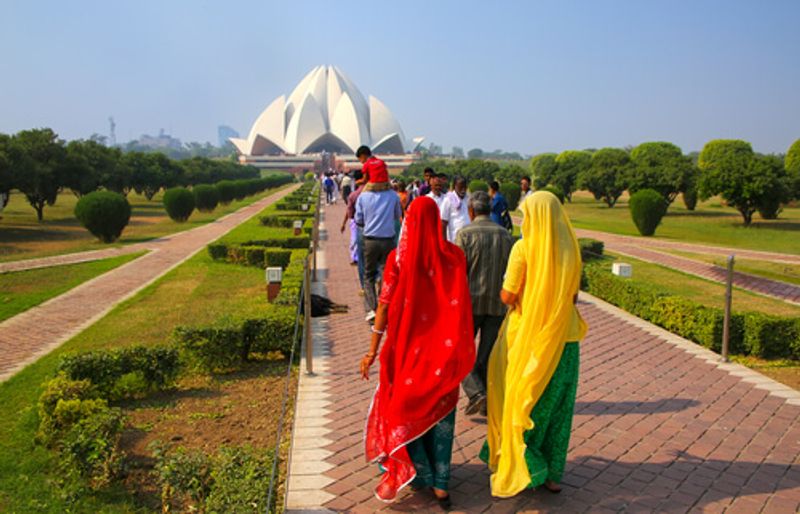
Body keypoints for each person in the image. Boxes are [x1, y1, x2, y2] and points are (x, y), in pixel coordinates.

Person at [361, 196, 475, 506]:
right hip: (446, 353)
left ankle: (419, 473)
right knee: (441, 419)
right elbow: (461, 303)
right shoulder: (454, 257)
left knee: (407, 411)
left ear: (409, 221)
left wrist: (372, 351)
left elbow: (383, 309)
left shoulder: (399, 259)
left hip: (408, 353)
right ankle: (441, 483)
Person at [481, 191, 587, 498]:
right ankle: (553, 475)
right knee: (558, 408)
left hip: (528, 339)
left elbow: (508, 296)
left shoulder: (524, 248)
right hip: (565, 341)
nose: (524, 220)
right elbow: (573, 297)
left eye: (527, 214)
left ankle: (526, 465)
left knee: (522, 403)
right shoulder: (571, 249)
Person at [454, 191, 513, 415]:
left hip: (470, 302)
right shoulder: (505, 235)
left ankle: (477, 393)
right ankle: (487, 399)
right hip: (498, 304)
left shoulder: (465, 234)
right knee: (487, 355)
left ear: (471, 211)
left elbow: (458, 271)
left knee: (460, 352)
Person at [355, 179, 403, 322]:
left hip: (370, 240)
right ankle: (384, 306)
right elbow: (397, 215)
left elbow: (359, 219)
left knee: (368, 275)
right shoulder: (393, 195)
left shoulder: (363, 196)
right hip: (388, 240)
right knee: (385, 274)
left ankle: (371, 309)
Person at [341, 171, 366, 280]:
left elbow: (349, 212)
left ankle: (356, 258)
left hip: (357, 221)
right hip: (371, 223)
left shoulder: (354, 195)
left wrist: (344, 223)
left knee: (355, 241)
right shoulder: (370, 193)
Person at [439, 176, 470, 242]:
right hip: (455, 239)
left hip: (469, 238)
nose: (463, 190)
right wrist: (444, 242)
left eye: (465, 187)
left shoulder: (468, 198)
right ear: (454, 187)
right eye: (460, 187)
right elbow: (443, 222)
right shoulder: (448, 200)